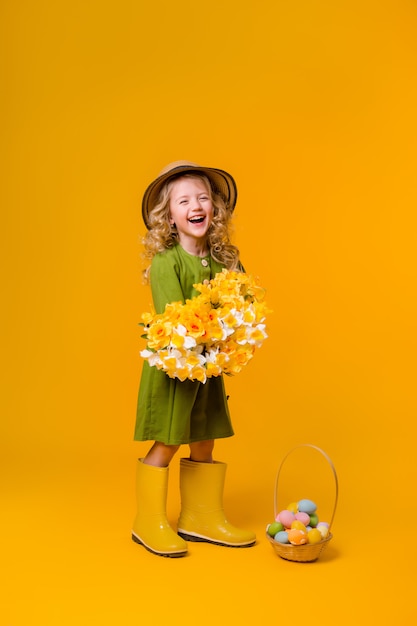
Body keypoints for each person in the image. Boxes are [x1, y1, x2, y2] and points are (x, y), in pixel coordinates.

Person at [132, 161, 256, 557]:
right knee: (168, 440)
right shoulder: (166, 262)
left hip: (210, 369)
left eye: (203, 197)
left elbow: (245, 301)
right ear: (169, 217)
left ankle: (200, 518)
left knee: (205, 439)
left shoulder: (226, 258)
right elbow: (174, 319)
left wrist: (239, 327)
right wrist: (214, 326)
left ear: (215, 209)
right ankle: (147, 522)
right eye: (183, 200)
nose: (195, 205)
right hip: (177, 370)